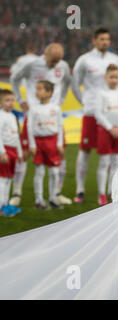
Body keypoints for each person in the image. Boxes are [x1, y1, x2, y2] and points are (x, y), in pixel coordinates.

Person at [10, 43, 71, 206]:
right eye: (53, 61)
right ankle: (17, 192)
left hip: (52, 117)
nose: (55, 64)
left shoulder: (63, 65)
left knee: (60, 154)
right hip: (33, 116)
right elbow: (14, 79)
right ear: (45, 54)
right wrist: (21, 100)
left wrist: (62, 99)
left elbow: (68, 82)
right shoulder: (31, 65)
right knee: (24, 155)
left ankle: (56, 193)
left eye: (58, 61)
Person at [72, 27, 118, 204]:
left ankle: (109, 191)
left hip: (112, 115)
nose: (105, 42)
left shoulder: (115, 59)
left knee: (111, 156)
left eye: (107, 39)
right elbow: (75, 84)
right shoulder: (85, 60)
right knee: (85, 151)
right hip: (90, 112)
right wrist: (85, 102)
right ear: (94, 41)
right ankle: (80, 189)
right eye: (101, 39)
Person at [94, 65, 118, 205]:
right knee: (104, 162)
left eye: (116, 77)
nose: (114, 80)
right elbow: (98, 113)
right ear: (106, 78)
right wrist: (110, 128)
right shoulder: (101, 94)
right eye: (111, 77)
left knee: (116, 162)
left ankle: (111, 192)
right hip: (105, 131)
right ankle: (101, 194)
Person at [27, 81, 64, 209]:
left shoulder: (56, 109)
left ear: (49, 92)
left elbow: (60, 126)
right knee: (39, 171)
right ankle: (39, 200)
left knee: (54, 172)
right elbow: (29, 127)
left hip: (52, 142)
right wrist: (32, 144)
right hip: (38, 142)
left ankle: (53, 198)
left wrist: (59, 144)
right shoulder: (33, 109)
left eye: (40, 89)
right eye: (36, 89)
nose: (37, 91)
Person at [0, 89, 23, 217]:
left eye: (12, 100)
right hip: (5, 150)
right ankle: (1, 207)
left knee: (9, 178)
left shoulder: (13, 116)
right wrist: (2, 152)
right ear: (0, 103)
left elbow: (16, 136)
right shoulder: (1, 116)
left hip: (13, 151)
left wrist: (19, 153)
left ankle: (6, 204)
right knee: (2, 179)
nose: (10, 103)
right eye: (7, 100)